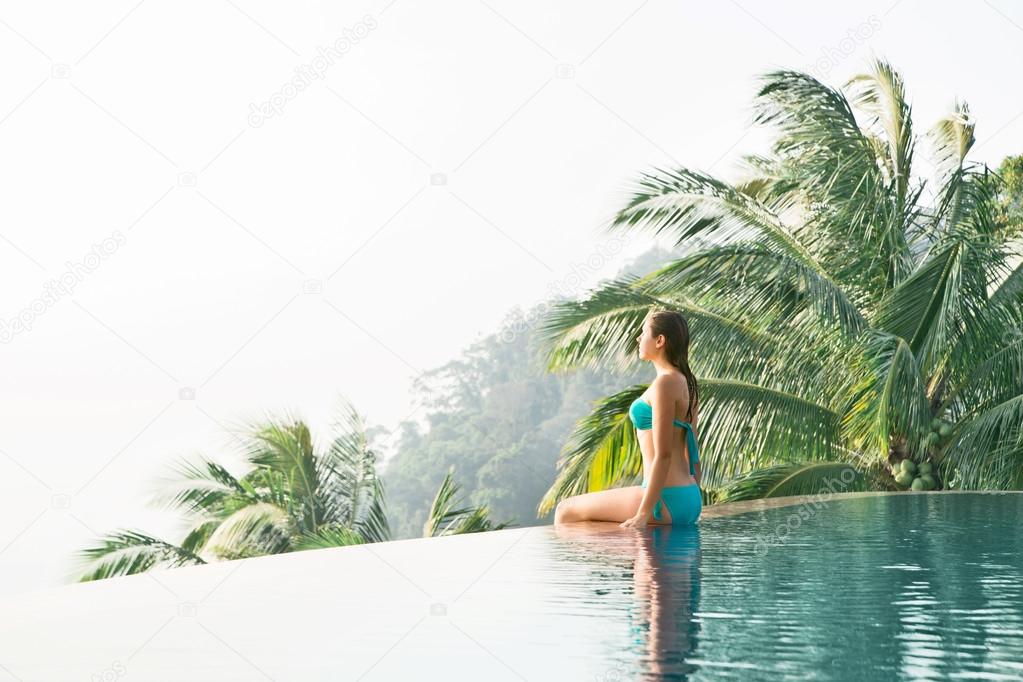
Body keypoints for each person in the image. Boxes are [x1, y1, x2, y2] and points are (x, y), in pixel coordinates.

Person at [553, 309, 702, 528]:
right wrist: (692, 496)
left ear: (660, 340)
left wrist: (643, 513)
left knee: (565, 511)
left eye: (644, 332)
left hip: (664, 499)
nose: (638, 338)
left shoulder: (665, 384)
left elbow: (664, 454)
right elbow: (693, 450)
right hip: (688, 497)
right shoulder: (688, 382)